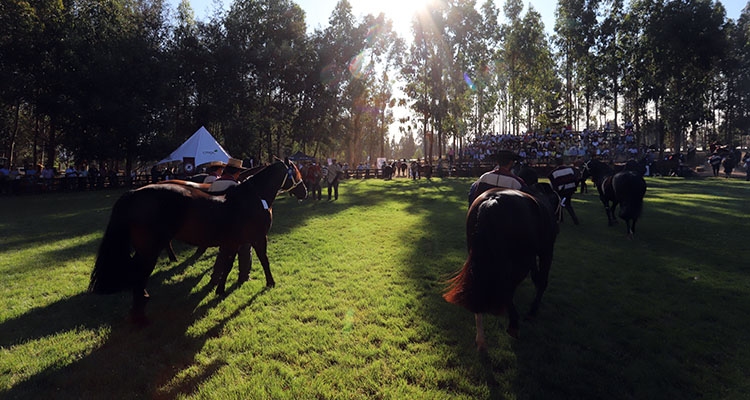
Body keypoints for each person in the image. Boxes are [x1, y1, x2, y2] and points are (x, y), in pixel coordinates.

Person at [208, 157, 253, 283]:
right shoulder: (235, 186)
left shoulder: (214, 184)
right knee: (245, 248)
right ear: (237, 172)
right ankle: (244, 276)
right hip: (233, 226)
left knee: (223, 252)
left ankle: (215, 277)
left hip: (217, 224)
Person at [547, 158, 580, 225]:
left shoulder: (553, 173)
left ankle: (568, 219)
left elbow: (553, 185)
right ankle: (563, 218)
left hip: (562, 191)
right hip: (570, 189)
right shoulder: (570, 169)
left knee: (563, 204)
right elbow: (575, 179)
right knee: (564, 203)